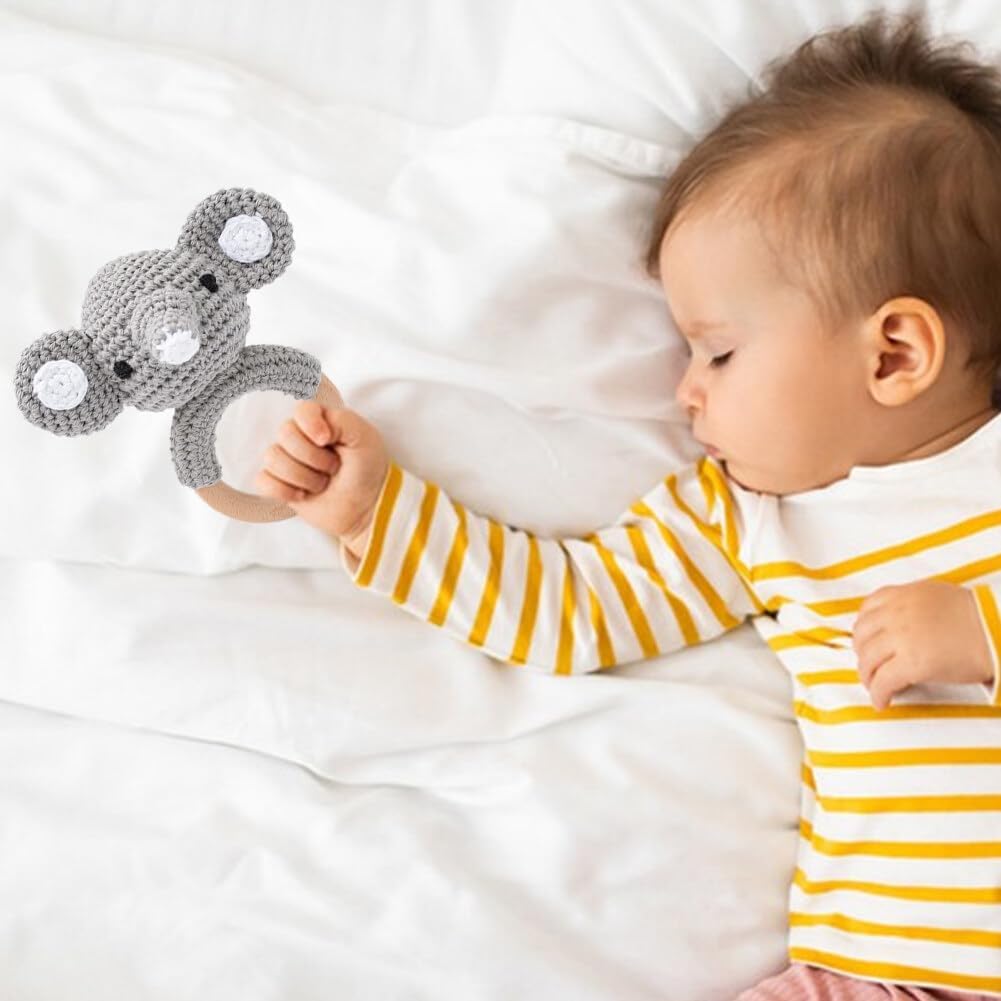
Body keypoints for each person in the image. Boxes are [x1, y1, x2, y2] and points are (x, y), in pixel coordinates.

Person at [255, 11, 1001, 999]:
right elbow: (572, 608)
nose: (684, 390)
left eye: (719, 351)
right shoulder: (746, 516)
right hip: (882, 973)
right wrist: (375, 514)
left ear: (893, 353)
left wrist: (984, 632)